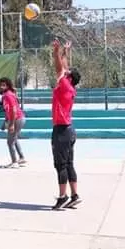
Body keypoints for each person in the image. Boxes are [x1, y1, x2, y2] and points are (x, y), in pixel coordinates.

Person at [50, 39, 82, 210]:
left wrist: (57, 52)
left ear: (69, 77)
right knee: (69, 164)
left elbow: (59, 67)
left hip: (61, 131)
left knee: (60, 165)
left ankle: (62, 197)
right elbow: (64, 68)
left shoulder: (64, 85)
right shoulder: (70, 87)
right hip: (69, 130)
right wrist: (65, 52)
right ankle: (75, 195)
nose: (66, 70)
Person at [0, 77, 26, 168]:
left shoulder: (8, 95)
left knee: (10, 142)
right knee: (14, 138)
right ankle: (21, 157)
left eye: (4, 85)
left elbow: (13, 110)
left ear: (7, 85)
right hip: (18, 118)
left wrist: (12, 124)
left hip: (17, 119)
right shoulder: (6, 95)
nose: (2, 87)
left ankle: (14, 162)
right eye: (0, 85)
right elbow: (8, 111)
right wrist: (5, 122)